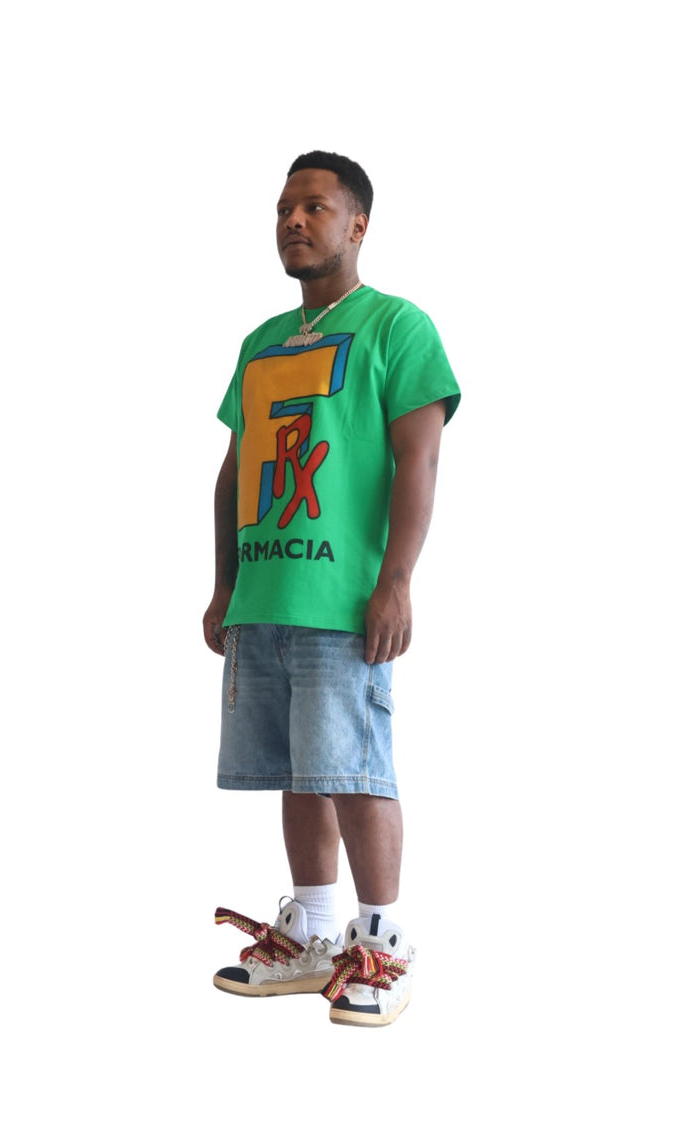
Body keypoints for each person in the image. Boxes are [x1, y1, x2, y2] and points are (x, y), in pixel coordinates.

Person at [202, 150, 460, 1027]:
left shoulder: (397, 326)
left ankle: (382, 947)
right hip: (264, 597)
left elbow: (420, 459)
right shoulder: (261, 342)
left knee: (353, 766)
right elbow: (234, 470)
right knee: (298, 769)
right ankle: (313, 933)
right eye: (284, 208)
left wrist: (397, 582)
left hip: (344, 600)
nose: (293, 220)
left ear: (358, 224)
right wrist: (224, 584)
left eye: (315, 206)